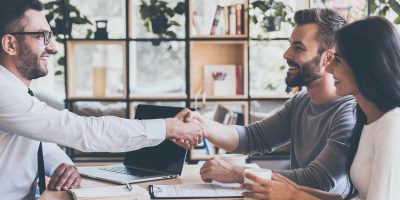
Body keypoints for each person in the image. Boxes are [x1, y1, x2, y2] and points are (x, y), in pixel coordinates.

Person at [0, 0, 204, 199]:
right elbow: (83, 130)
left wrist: (64, 165)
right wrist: (169, 127)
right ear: (10, 44)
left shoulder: (16, 91)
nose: (52, 47)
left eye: (50, 36)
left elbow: (39, 140)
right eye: (41, 36)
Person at [182, 8, 356, 194]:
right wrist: (201, 124)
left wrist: (237, 173)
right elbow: (252, 138)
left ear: (328, 58)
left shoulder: (348, 113)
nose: (286, 54)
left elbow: (319, 180)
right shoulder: (301, 102)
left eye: (298, 48)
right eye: (290, 45)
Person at [241, 16, 400, 200]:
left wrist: (294, 195)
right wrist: (291, 190)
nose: (330, 69)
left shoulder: (391, 125)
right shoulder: (366, 118)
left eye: (338, 60)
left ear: (364, 65)